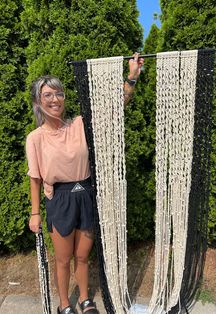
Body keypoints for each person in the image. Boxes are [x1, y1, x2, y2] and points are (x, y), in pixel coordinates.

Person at [26, 53, 144, 314]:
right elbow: (35, 178)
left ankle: (84, 299)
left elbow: (114, 109)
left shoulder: (79, 124)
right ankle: (64, 305)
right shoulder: (35, 138)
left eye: (59, 94)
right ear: (38, 101)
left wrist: (132, 76)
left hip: (86, 195)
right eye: (48, 95)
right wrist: (35, 213)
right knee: (63, 259)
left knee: (82, 256)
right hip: (60, 200)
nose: (55, 100)